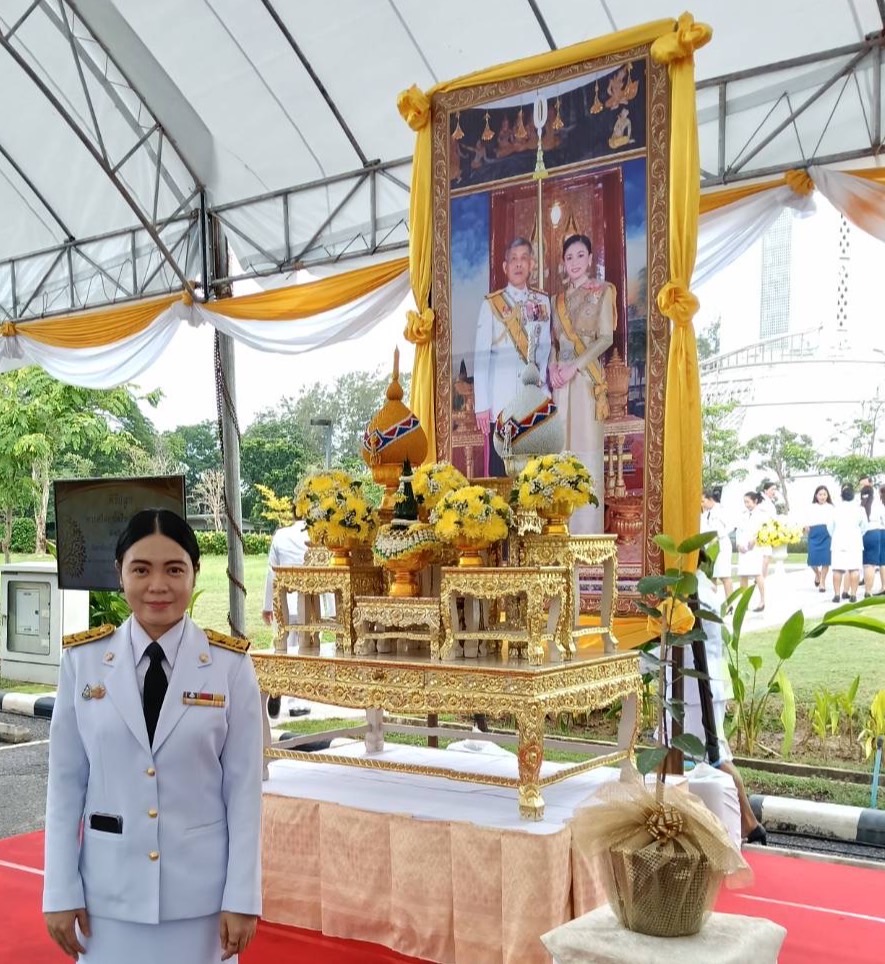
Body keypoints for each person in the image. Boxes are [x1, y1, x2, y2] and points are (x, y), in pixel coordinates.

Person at [43, 509, 263, 963]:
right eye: (141, 569)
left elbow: (243, 791)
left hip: (200, 901)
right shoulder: (83, 662)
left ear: (195, 573)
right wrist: (59, 890)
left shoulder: (229, 666)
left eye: (174, 569)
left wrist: (242, 897)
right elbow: (65, 785)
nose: (157, 585)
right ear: (120, 574)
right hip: (107, 898)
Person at [668, 566, 767, 844]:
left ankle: (747, 822)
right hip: (698, 685)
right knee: (707, 755)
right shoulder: (701, 587)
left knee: (714, 758)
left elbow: (673, 638)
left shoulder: (687, 591)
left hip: (694, 689)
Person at [549, 233, 615, 532]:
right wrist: (553, 368)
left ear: (590, 259)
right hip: (561, 382)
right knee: (561, 451)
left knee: (586, 451)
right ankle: (562, 527)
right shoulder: (556, 300)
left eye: (580, 255)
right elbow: (553, 342)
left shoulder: (603, 291)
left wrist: (576, 365)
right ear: (564, 263)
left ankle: (587, 534)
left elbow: (606, 338)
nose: (574, 262)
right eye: (569, 257)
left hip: (586, 380)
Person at [473, 236, 552, 477]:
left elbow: (545, 350)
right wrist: (482, 405)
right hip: (501, 401)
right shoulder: (492, 304)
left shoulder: (542, 301)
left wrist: (544, 390)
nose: (519, 264)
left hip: (532, 399)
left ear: (531, 264)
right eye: (514, 259)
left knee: (533, 472)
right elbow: (481, 356)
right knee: (502, 471)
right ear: (506, 267)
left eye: (524, 258)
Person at [262, 507, 311, 719]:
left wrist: (267, 606)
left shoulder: (281, 535)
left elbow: (271, 571)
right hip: (309, 601)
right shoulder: (315, 535)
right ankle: (296, 700)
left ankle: (277, 687)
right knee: (305, 650)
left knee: (283, 650)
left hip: (283, 600)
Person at [830, 484, 864, 603]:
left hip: (838, 541)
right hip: (855, 541)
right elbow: (864, 526)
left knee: (837, 569)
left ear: (842, 497)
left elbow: (830, 527)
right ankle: (853, 595)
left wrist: (834, 535)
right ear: (853, 496)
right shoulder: (860, 509)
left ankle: (837, 595)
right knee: (854, 569)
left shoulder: (835, 509)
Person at [700, 487, 733, 598]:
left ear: (710, 499)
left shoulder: (721, 510)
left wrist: (718, 536)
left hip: (722, 544)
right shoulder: (705, 513)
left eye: (703, 501)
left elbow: (730, 526)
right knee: (711, 576)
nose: (702, 504)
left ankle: (730, 604)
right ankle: (712, 602)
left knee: (724, 576)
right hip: (709, 547)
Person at [736, 491, 765, 611]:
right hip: (743, 548)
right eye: (745, 502)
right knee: (743, 575)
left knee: (757, 573)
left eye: (748, 502)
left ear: (755, 501)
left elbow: (764, 530)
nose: (746, 504)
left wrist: (755, 539)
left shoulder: (762, 515)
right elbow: (738, 531)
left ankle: (762, 600)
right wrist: (738, 544)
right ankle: (744, 602)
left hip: (755, 548)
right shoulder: (743, 514)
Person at [805, 485, 834, 593]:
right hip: (814, 533)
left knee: (826, 560)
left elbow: (834, 521)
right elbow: (805, 519)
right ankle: (817, 574)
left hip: (827, 534)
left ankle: (822, 582)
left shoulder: (831, 507)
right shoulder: (811, 507)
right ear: (816, 495)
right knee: (812, 559)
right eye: (820, 494)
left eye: (824, 494)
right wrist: (806, 525)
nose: (822, 496)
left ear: (827, 495)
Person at [859, 484, 884, 598]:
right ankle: (868, 591)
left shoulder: (859, 505)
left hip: (863, 534)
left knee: (865, 564)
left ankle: (866, 589)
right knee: (872, 565)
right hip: (875, 532)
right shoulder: (877, 504)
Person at [756, 479, 778, 579]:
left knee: (766, 556)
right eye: (772, 489)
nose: (774, 492)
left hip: (767, 532)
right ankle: (761, 578)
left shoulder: (768, 502)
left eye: (775, 490)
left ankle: (761, 577)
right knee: (765, 556)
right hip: (762, 532)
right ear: (765, 490)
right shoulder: (762, 502)